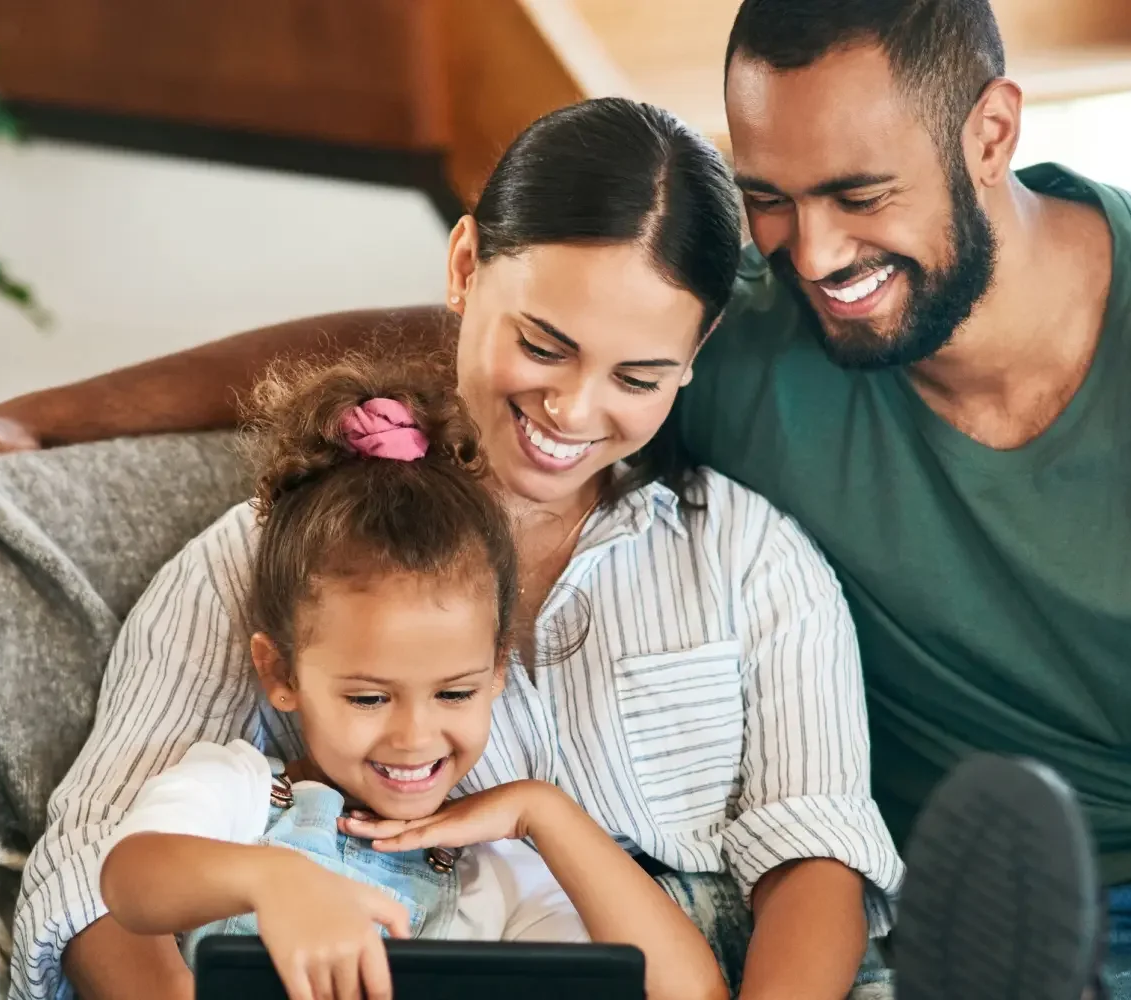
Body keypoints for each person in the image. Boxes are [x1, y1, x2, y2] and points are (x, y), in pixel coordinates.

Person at [0, 0, 1131, 996]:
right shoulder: (293, 543)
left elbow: (814, 852)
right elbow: (99, 876)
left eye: (859, 198)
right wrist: (32, 419)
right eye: (774, 201)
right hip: (1107, 912)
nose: (819, 254)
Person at [0, 96, 902, 1000]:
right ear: (465, 267)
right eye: (545, 346)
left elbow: (816, 853)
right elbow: (95, 876)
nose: (574, 413)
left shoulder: (749, 556)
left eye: (638, 376)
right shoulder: (274, 555)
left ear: (697, 348)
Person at [95, 354, 730, 1000]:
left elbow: (689, 993)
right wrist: (272, 879)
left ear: (497, 671)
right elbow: (127, 880)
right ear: (280, 672)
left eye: (455, 692)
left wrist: (545, 812)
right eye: (369, 697)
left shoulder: (501, 877)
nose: (414, 735)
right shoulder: (241, 798)